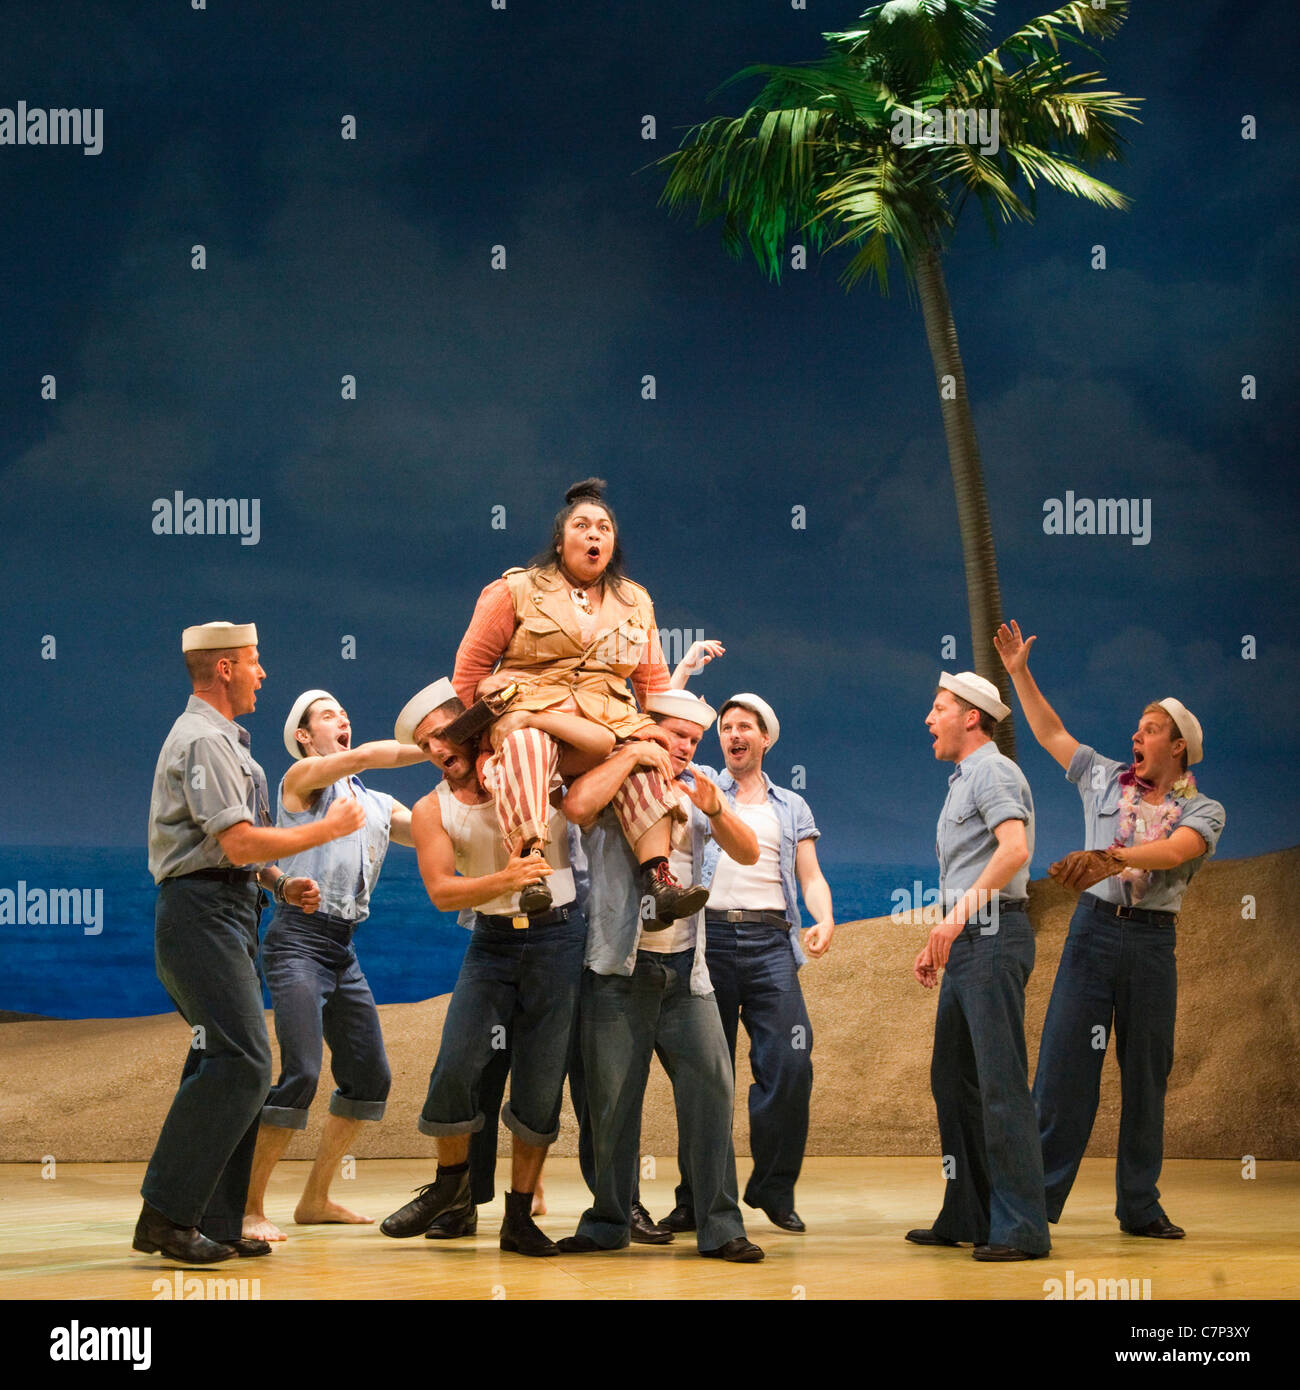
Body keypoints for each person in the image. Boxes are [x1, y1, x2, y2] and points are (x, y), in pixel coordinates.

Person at [136, 622, 364, 1265]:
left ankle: (215, 1216)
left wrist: (279, 882)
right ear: (228, 667)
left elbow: (241, 853)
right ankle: (166, 1219)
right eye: (256, 664)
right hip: (199, 914)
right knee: (243, 1062)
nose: (264, 675)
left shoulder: (231, 746)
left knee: (223, 1062)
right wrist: (325, 832)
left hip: (229, 911)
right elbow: (235, 842)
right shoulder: (204, 741)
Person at [995, 620, 1226, 1239]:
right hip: (1093, 933)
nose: (1136, 735)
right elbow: (1050, 733)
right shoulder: (1103, 777)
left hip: (1152, 945)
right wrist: (1018, 671)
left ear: (1178, 748)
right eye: (1138, 728)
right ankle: (1033, 1209)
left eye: (1150, 729)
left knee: (1146, 1075)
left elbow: (1177, 851)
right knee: (1065, 1070)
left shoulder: (1205, 809)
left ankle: (1140, 1206)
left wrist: (1111, 859)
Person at [556, 688, 765, 1262]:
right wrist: (628, 755)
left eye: (693, 740)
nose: (683, 747)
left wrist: (716, 807)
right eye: (676, 734)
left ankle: (721, 1227)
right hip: (618, 970)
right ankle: (606, 1223)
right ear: (649, 729)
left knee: (711, 1096)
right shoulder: (615, 777)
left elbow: (747, 853)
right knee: (611, 1105)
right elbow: (575, 808)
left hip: (686, 973)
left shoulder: (698, 789)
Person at [379, 679, 585, 1256]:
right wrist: (507, 881)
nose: (435, 750)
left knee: (541, 1081)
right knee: (456, 1067)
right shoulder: (430, 809)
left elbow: (594, 749)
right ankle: (450, 1187)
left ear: (468, 728)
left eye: (441, 734)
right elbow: (443, 892)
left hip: (558, 939)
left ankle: (518, 1217)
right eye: (423, 746)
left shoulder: (533, 769)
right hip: (493, 943)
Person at [452, 477, 706, 924]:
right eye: (582, 526)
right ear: (559, 538)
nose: (594, 534)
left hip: (609, 725)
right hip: (531, 713)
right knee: (527, 741)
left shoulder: (636, 601)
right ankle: (530, 867)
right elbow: (468, 677)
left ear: (612, 542)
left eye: (604, 528)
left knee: (644, 755)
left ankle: (659, 881)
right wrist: (466, 753)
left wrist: (667, 739)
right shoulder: (515, 590)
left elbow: (654, 686)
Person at [242, 690, 426, 1241]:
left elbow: (435, 835)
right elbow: (365, 755)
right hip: (297, 942)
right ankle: (248, 1208)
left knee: (370, 1079)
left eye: (344, 711)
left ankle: (315, 1198)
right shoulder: (300, 783)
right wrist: (436, 740)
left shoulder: (376, 804)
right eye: (327, 714)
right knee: (300, 1072)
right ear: (303, 736)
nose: (341, 717)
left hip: (343, 949)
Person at [660, 691, 834, 1236]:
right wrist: (683, 674)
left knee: (790, 1065)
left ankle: (772, 1188)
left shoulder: (791, 806)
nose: (732, 735)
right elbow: (665, 739)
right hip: (708, 942)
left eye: (744, 727)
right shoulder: (705, 784)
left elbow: (809, 874)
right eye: (726, 727)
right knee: (704, 1080)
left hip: (771, 945)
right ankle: (696, 1197)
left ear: (765, 738)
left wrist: (823, 916)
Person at [906, 671, 1050, 1261]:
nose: (929, 718)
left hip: (991, 936)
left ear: (971, 717)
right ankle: (969, 1211)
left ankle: (1021, 1229)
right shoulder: (963, 778)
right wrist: (941, 940)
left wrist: (955, 920)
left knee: (998, 1086)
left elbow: (1015, 849)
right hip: (969, 941)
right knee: (954, 1079)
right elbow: (972, 865)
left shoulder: (991, 770)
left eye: (938, 708)